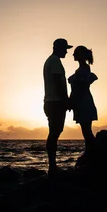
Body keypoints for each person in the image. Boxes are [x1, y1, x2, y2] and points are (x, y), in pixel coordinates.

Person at [43, 38, 73, 176]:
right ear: (59, 48)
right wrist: (65, 100)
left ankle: (52, 166)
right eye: (65, 49)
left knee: (54, 132)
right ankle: (52, 167)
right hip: (55, 102)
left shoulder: (51, 61)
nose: (67, 52)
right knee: (54, 133)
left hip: (51, 101)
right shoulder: (55, 61)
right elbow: (58, 82)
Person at [68, 45, 98, 158]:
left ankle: (93, 152)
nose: (73, 55)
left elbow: (82, 86)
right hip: (82, 102)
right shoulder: (82, 69)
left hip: (83, 102)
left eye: (75, 53)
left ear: (80, 55)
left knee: (86, 130)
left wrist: (72, 101)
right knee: (86, 130)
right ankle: (90, 151)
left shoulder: (84, 68)